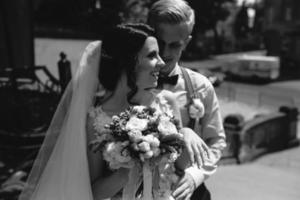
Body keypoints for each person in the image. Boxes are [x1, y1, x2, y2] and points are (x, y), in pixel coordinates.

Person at [18, 23, 202, 200]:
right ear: (128, 62)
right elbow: (93, 192)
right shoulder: (96, 120)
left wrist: (186, 133)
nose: (161, 62)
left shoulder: (167, 101)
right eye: (152, 56)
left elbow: (181, 165)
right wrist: (124, 170)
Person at [148, 0, 227, 199]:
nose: (165, 53)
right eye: (160, 42)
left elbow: (216, 141)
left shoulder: (201, 86)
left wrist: (195, 175)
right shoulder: (128, 83)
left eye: (175, 45)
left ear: (187, 42)